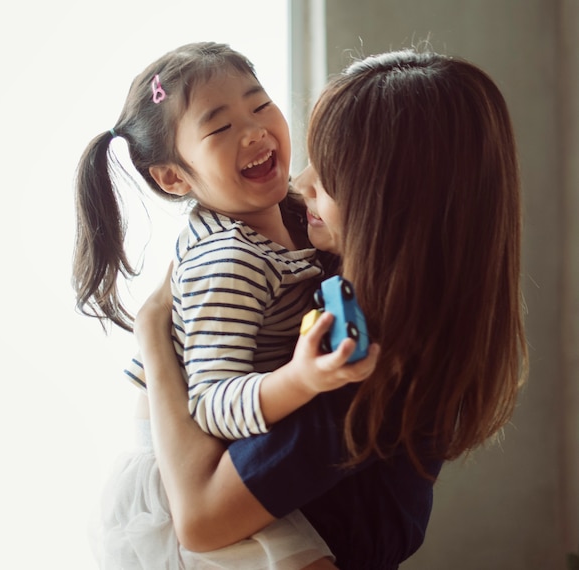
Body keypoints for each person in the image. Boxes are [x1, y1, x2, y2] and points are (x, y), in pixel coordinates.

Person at [134, 48, 529, 569]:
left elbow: (202, 521)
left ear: (387, 205)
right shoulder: (415, 306)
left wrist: (151, 333)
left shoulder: (353, 360)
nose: (300, 183)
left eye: (329, 174)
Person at [73, 41, 377, 569]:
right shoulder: (231, 259)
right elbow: (213, 403)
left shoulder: (281, 213)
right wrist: (301, 379)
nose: (255, 131)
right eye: (219, 128)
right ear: (174, 178)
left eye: (259, 105)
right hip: (182, 470)